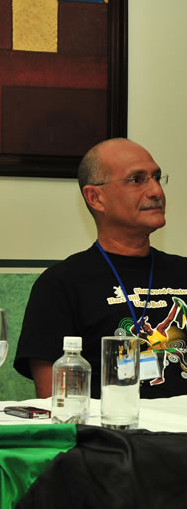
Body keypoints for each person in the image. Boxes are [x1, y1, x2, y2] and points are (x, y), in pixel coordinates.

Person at [15, 138, 187, 399]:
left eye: (157, 177)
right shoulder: (60, 285)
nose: (156, 191)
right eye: (137, 180)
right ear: (96, 198)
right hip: (112, 436)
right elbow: (56, 403)